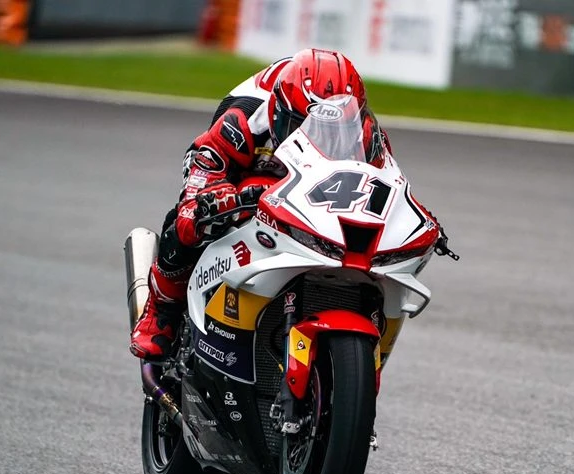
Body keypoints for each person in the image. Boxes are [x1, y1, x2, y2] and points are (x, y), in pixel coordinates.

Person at [130, 48, 392, 359]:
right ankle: (160, 312)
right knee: (188, 223)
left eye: (332, 132)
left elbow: (387, 186)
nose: (318, 139)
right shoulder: (243, 120)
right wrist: (213, 200)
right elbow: (200, 182)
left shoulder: (366, 135)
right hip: (243, 169)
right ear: (279, 113)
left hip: (312, 182)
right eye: (304, 127)